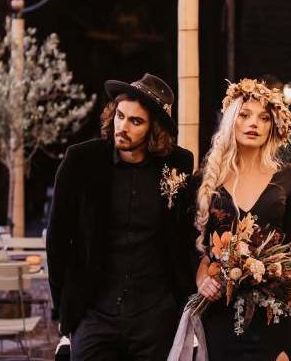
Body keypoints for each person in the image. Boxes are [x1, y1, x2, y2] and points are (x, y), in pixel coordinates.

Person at [46, 73, 197, 361]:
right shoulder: (80, 160)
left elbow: (185, 235)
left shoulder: (179, 163)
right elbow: (57, 239)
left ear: (154, 129)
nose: (122, 127)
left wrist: (180, 303)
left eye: (135, 121)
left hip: (155, 316)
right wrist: (64, 310)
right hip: (93, 313)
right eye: (120, 116)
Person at [193, 79, 291, 361]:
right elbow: (189, 248)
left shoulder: (285, 176)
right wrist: (201, 276)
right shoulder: (206, 181)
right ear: (231, 121)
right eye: (245, 115)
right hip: (222, 314)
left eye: (264, 118)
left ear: (273, 126)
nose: (254, 123)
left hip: (276, 313)